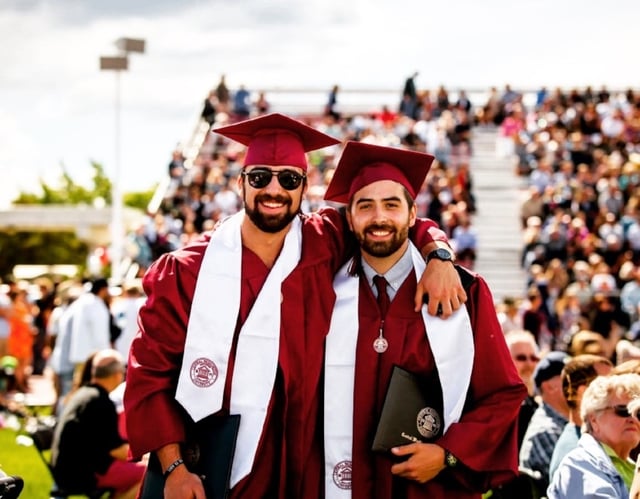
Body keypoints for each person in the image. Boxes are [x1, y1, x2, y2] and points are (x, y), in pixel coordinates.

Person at [124, 113, 467, 499]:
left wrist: (437, 254)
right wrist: (174, 468)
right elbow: (148, 377)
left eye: (288, 179)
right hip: (204, 471)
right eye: (259, 178)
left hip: (297, 465)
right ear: (240, 183)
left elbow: (387, 222)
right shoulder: (187, 272)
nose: (274, 190)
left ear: (304, 187)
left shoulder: (322, 244)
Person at [322, 140, 527, 498]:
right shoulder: (325, 292)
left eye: (391, 205)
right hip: (342, 483)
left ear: (413, 215)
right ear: (350, 219)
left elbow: (502, 394)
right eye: (365, 206)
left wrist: (449, 454)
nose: (379, 217)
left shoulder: (465, 293)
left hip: (429, 489)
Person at [51, 349, 146, 499]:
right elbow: (116, 450)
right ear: (117, 375)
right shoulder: (100, 402)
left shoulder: (83, 394)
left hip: (65, 471)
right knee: (149, 473)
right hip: (84, 474)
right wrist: (147, 456)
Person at [547, 373, 640, 498]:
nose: (633, 418)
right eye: (624, 410)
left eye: (638, 413)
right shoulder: (579, 464)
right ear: (594, 420)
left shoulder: (631, 466)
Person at [548, 354, 613, 481]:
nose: (617, 392)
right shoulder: (575, 454)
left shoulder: (589, 442)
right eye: (607, 387)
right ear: (583, 392)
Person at [519, 351, 571, 491]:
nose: (578, 384)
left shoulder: (566, 424)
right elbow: (572, 487)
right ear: (549, 387)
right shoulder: (545, 430)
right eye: (569, 377)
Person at [504, 330, 540, 450]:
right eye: (521, 358)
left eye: (533, 358)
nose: (529, 364)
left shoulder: (534, 401)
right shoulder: (502, 403)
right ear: (505, 360)